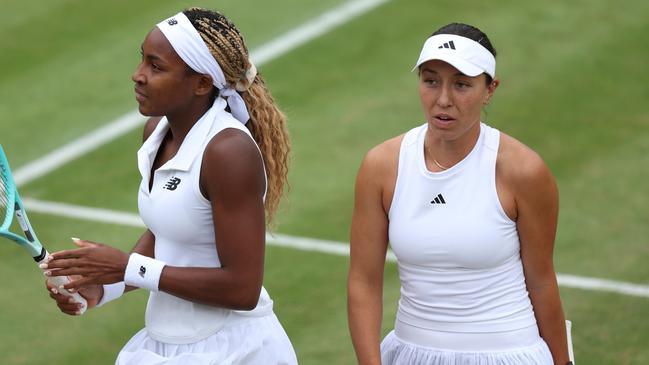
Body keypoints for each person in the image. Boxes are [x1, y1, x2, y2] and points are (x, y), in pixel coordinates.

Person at [41, 7, 297, 364]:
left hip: (235, 349)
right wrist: (103, 287)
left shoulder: (228, 152)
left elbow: (243, 288)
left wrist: (128, 267)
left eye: (156, 66)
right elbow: (168, 232)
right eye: (142, 61)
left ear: (202, 84)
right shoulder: (156, 133)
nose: (138, 75)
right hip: (165, 343)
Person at [347, 23, 572, 364]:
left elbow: (541, 282)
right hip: (410, 354)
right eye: (431, 80)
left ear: (490, 89)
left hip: (508, 355)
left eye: (462, 85)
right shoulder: (381, 166)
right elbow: (363, 282)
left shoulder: (524, 171)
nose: (443, 100)